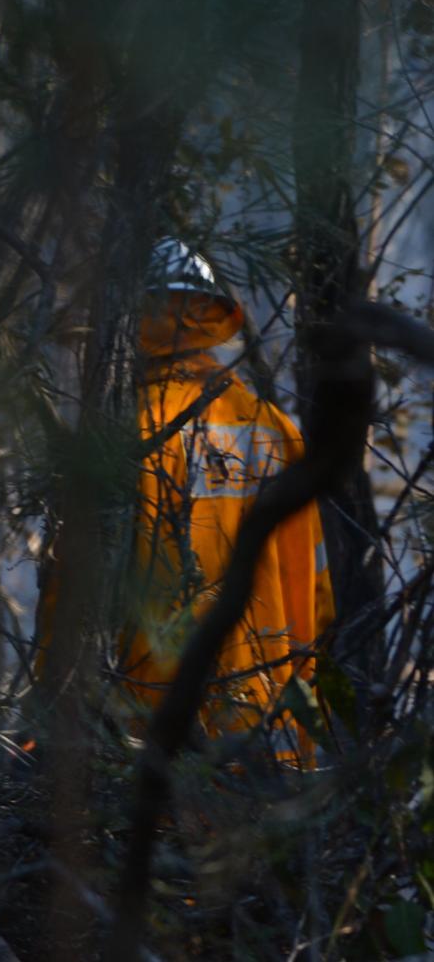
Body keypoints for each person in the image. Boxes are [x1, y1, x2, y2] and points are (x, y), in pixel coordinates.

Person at [119, 237, 335, 764]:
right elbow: (317, 586)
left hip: (159, 728)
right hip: (273, 723)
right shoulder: (274, 428)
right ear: (211, 315)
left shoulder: (132, 432)